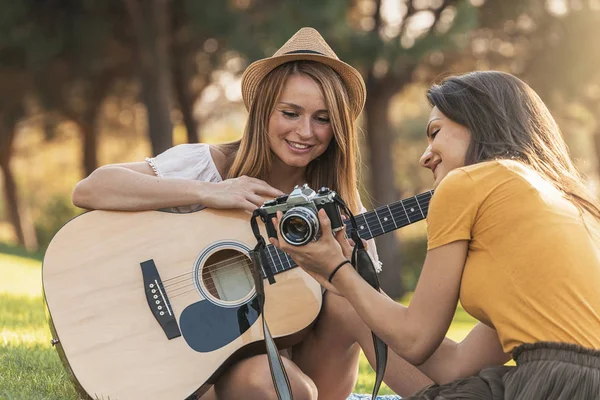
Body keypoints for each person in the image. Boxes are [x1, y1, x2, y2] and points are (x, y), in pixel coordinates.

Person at [72, 27, 433, 400]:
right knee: (277, 385)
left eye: (322, 119)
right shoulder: (210, 166)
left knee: (351, 303)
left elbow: (367, 309)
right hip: (208, 363)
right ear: (264, 111)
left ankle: (451, 395)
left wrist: (341, 271)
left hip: (304, 365)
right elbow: (90, 189)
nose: (305, 132)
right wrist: (212, 192)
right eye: (290, 113)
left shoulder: (338, 206)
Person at [272, 71, 600, 399]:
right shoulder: (565, 203)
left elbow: (416, 340)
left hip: (554, 386)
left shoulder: (467, 183)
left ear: (479, 119)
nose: (425, 156)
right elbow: (456, 366)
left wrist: (336, 270)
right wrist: (351, 279)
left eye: (435, 133)